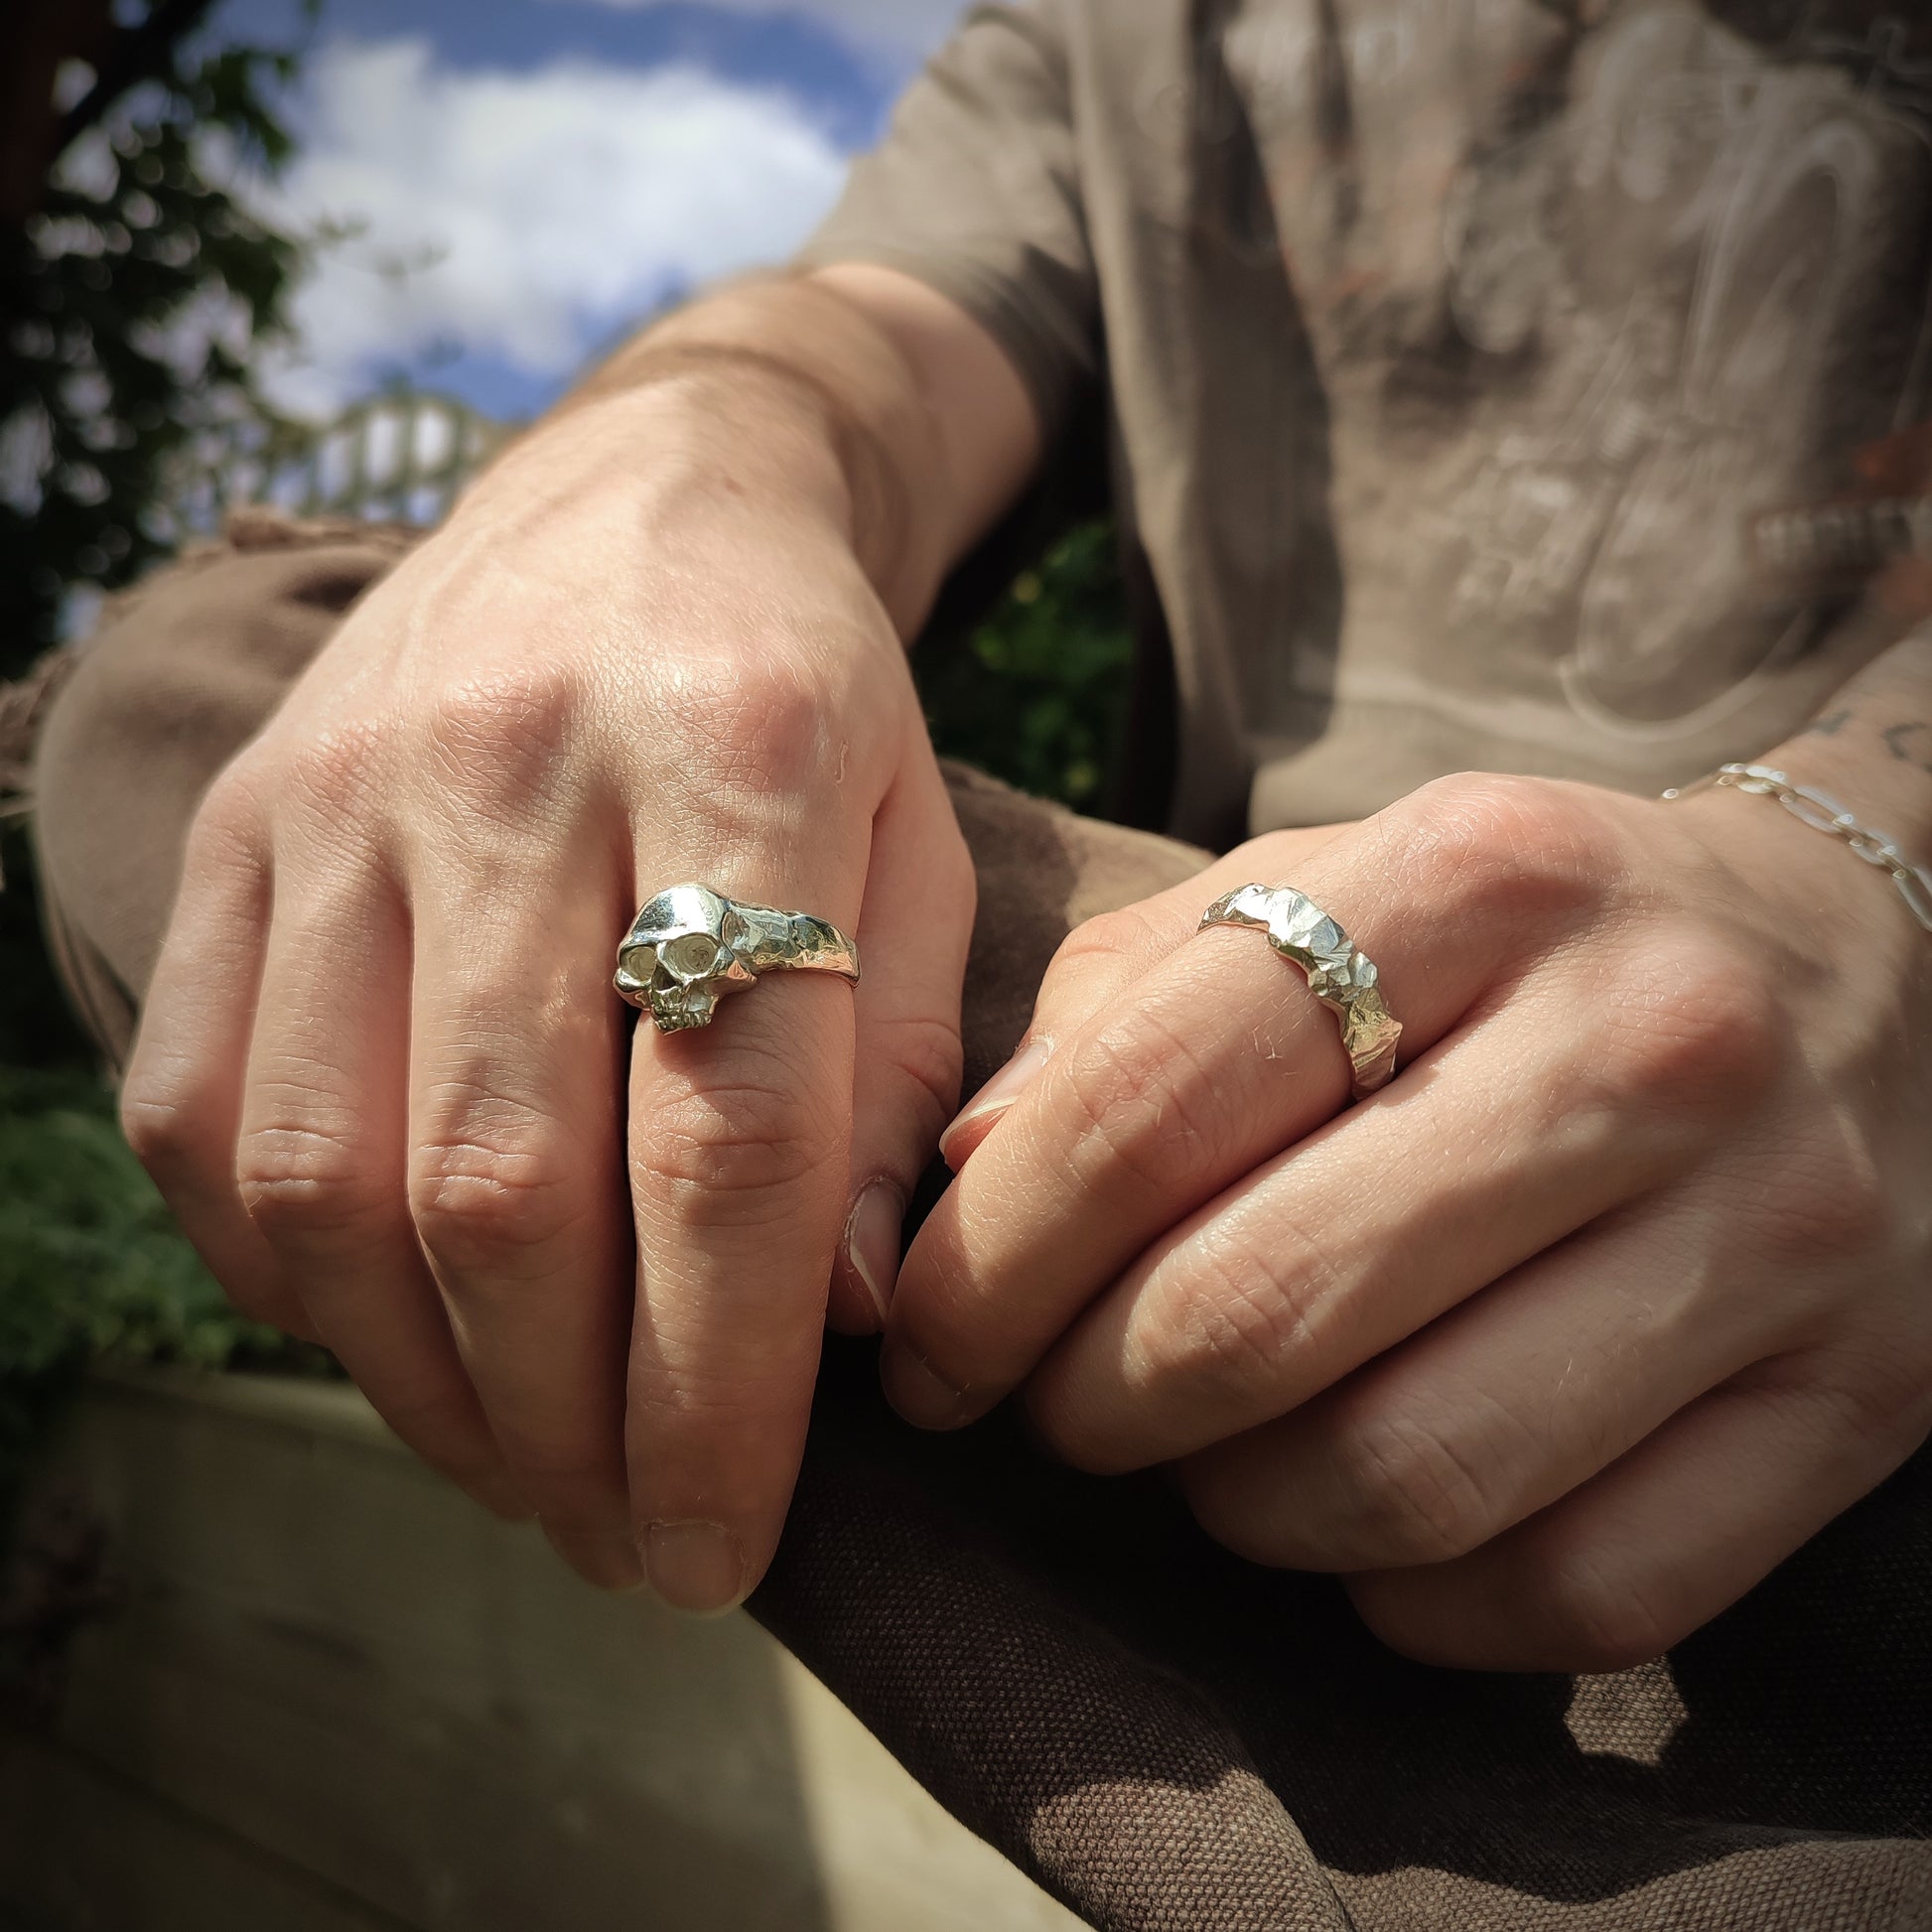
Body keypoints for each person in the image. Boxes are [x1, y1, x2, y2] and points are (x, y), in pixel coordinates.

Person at [25, 2, 1932, 1923]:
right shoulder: (1128, 33)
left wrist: (1871, 887)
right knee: (252, 701)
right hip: (1173, 1080)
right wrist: (678, 448)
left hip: (1843, 1131)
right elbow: (874, 335)